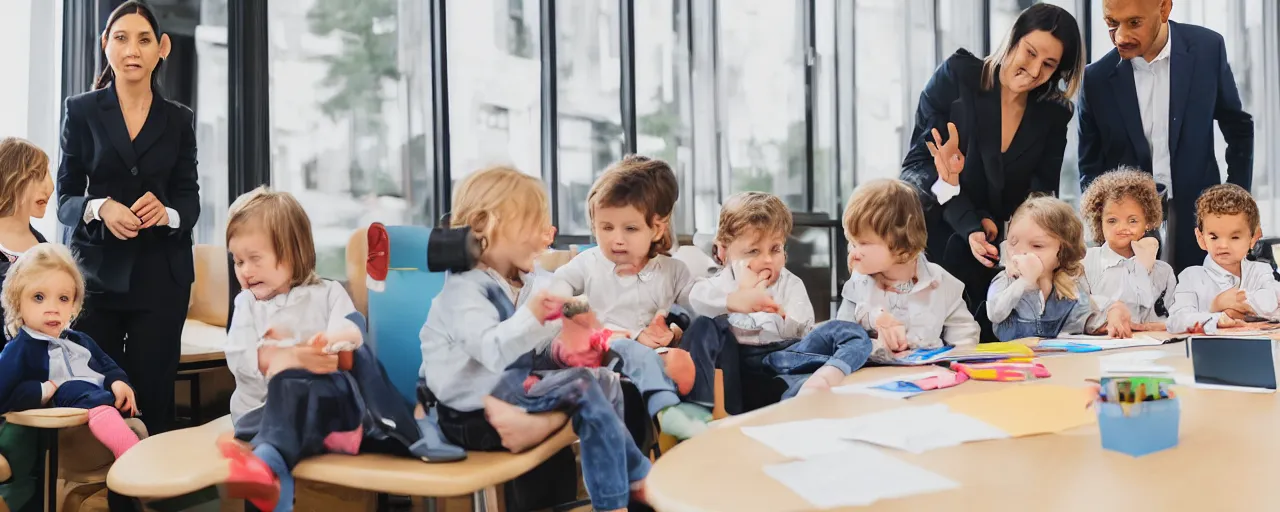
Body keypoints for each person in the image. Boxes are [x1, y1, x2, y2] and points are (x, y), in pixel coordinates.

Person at [420, 167, 650, 511]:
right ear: (487, 226)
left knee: (604, 380)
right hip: (470, 416)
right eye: (534, 225)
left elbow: (544, 338)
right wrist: (537, 316)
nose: (546, 236)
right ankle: (624, 491)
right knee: (585, 387)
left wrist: (574, 340)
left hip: (506, 393)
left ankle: (625, 486)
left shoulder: (523, 279)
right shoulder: (463, 290)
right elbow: (494, 351)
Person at [217, 187, 432, 512]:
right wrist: (280, 358)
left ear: (290, 254)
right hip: (261, 416)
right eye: (238, 261)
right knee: (287, 398)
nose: (244, 271)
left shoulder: (327, 293)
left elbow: (351, 328)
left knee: (349, 365)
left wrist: (335, 340)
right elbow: (239, 355)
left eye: (254, 259)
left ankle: (271, 463)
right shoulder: (246, 305)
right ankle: (268, 467)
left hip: (323, 408)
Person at [900, 3, 1085, 341]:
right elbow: (917, 168)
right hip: (939, 235)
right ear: (1013, 39)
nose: (1033, 70)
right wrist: (969, 220)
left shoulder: (1054, 112)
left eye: (1048, 65)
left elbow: (1041, 196)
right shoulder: (958, 75)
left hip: (1003, 253)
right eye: (1029, 53)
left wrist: (1013, 238)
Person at [56, 0, 200, 435]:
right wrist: (99, 207)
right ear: (105, 44)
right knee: (97, 396)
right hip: (97, 278)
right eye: (121, 38)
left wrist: (168, 213)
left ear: (163, 48)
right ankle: (98, 491)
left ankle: (145, 497)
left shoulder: (179, 120)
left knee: (153, 398)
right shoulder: (81, 110)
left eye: (143, 40)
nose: (132, 49)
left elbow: (189, 201)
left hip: (163, 279)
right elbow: (64, 199)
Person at [1078, 0, 1253, 273]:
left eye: (1134, 23)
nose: (1121, 36)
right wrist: (1107, 226)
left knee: (1202, 303)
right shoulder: (1095, 79)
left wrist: (1237, 200)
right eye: (1112, 24)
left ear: (1164, 9)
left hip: (1200, 210)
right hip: (1131, 222)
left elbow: (1238, 128)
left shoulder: (1208, 49)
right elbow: (1090, 168)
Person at [548, 155, 712, 440]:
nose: (617, 239)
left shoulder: (673, 270)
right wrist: (576, 313)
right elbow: (557, 285)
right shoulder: (589, 263)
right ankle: (663, 416)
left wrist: (673, 330)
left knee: (683, 360)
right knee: (631, 375)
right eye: (606, 228)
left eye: (630, 229)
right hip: (604, 353)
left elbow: (694, 305)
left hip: (651, 355)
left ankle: (678, 434)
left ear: (656, 229)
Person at [684, 192, 865, 410]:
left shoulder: (790, 283)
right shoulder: (719, 284)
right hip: (736, 366)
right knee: (706, 326)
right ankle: (701, 407)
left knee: (848, 331)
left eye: (775, 248)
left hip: (781, 358)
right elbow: (695, 300)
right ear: (723, 252)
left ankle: (817, 382)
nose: (767, 259)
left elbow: (801, 330)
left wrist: (777, 315)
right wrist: (736, 299)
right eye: (753, 251)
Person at [0, 244, 141, 459]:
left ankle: (136, 467)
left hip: (103, 401)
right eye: (39, 297)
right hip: (70, 406)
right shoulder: (20, 348)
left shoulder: (80, 340)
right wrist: (40, 390)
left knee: (136, 418)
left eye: (63, 299)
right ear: (17, 303)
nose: (53, 308)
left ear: (74, 306)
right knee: (73, 387)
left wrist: (118, 381)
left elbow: (106, 364)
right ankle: (131, 454)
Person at [836, 180, 980, 363]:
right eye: (852, 243)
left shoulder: (940, 282)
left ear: (901, 246)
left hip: (930, 378)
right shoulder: (858, 285)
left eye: (863, 243)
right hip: (872, 377)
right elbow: (841, 336)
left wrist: (958, 361)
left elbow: (963, 331)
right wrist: (876, 343)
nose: (853, 253)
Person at [985, 197, 1107, 341]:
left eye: (1037, 246)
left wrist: (1101, 323)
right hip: (1014, 359)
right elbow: (995, 313)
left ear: (1062, 253)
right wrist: (1023, 282)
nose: (1022, 252)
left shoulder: (1067, 286)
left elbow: (1083, 319)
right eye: (1013, 243)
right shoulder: (1005, 281)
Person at [1166, 184, 1278, 334]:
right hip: (1208, 352)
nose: (1223, 245)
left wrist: (1241, 305)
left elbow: (1273, 302)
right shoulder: (1191, 277)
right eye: (1214, 237)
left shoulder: (1260, 272)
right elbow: (1175, 321)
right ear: (1201, 238)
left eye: (1235, 237)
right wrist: (1216, 310)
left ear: (1253, 238)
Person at [1080, 168, 1178, 335]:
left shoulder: (1163, 272)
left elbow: (1171, 316)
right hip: (1102, 350)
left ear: (1147, 222)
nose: (1122, 228)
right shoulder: (1086, 263)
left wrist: (1143, 268)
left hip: (1152, 348)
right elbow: (1077, 314)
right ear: (1099, 222)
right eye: (1112, 220)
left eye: (1132, 220)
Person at [0, 138, 54, 345]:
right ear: (10, 178)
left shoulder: (46, 250)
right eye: (37, 176)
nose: (49, 187)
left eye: (48, 175)